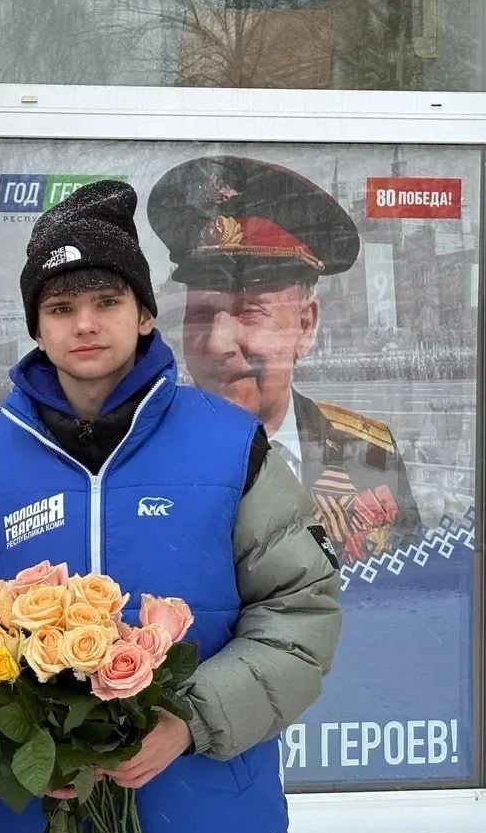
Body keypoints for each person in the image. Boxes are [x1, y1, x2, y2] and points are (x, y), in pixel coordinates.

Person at [0, 181, 343, 833]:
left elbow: (300, 610)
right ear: (37, 328)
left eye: (105, 300)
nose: (84, 323)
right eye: (60, 307)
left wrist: (189, 722)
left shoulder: (228, 445)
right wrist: (13, 742)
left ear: (144, 314)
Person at [146, 154, 421, 560]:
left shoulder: (367, 457)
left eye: (249, 311)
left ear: (305, 326)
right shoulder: (146, 457)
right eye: (201, 314)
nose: (217, 343)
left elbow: (411, 587)